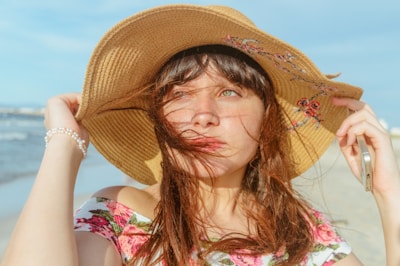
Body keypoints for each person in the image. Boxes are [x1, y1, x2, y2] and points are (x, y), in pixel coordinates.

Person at [1, 4, 399, 266]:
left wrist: (389, 192)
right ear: (159, 118)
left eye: (228, 92)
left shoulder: (302, 233)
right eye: (180, 95)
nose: (202, 116)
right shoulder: (124, 216)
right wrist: (63, 147)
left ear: (269, 120)